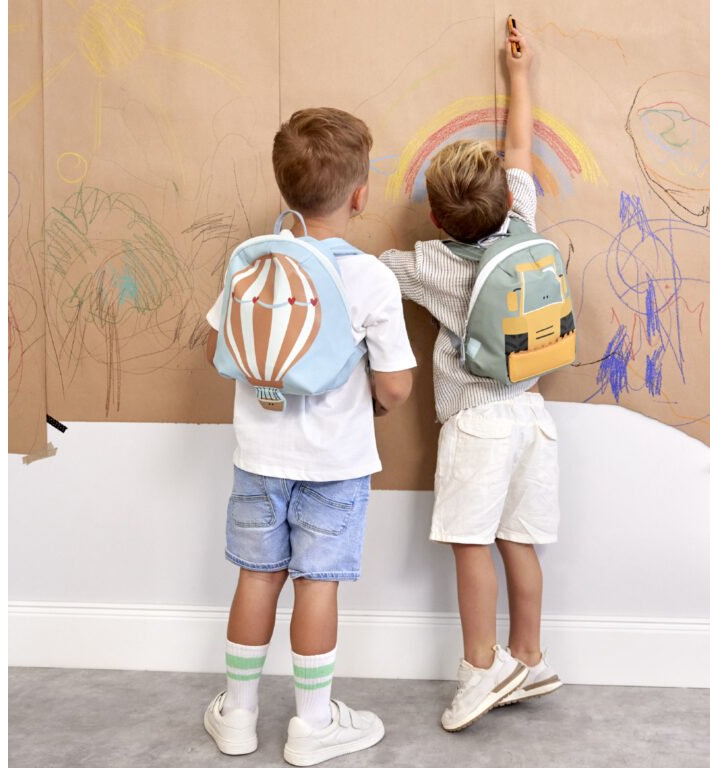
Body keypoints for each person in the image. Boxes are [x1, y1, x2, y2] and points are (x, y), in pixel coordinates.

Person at [202, 107, 417, 765]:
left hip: (258, 458)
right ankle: (313, 725)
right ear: (360, 195)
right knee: (316, 584)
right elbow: (396, 385)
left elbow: (221, 347)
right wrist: (375, 403)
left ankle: (238, 715)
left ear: (284, 186)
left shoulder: (253, 262)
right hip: (335, 464)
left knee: (257, 577)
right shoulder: (370, 277)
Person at [379, 26, 563, 732]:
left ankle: (480, 668)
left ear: (434, 217)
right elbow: (519, 147)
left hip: (478, 424)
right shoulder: (524, 217)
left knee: (470, 544)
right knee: (519, 540)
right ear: (506, 199)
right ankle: (530, 656)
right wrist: (520, 75)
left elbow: (371, 271)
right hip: (533, 416)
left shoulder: (430, 263)